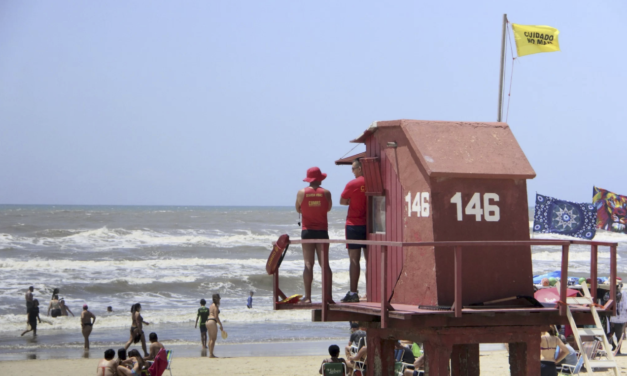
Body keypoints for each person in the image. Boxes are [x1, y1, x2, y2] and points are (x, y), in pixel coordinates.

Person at [295, 167, 333, 304]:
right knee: (325, 265)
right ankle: (328, 296)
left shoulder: (301, 192)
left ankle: (308, 297)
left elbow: (297, 208)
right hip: (322, 231)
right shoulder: (327, 193)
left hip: (307, 231)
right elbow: (328, 208)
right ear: (319, 179)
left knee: (308, 264)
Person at [340, 159, 368, 303]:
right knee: (370, 260)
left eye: (353, 169)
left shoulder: (353, 184)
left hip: (354, 224)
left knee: (354, 260)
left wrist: (353, 201)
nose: (352, 171)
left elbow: (343, 201)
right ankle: (370, 292)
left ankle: (353, 292)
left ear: (360, 168)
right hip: (370, 225)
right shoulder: (371, 182)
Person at [207, 293, 224, 358]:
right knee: (213, 339)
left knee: (210, 339)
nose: (219, 300)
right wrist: (220, 324)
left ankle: (210, 353)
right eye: (219, 299)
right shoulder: (216, 307)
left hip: (208, 321)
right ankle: (211, 354)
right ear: (217, 299)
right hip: (212, 321)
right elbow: (216, 317)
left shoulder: (211, 306)